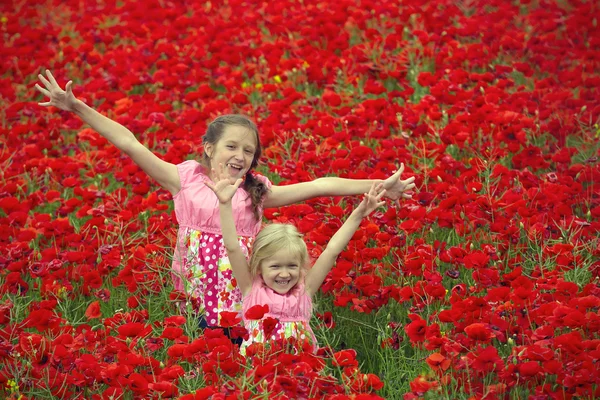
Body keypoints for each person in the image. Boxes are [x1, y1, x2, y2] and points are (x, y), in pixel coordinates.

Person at [35, 70, 415, 335]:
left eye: (249, 151)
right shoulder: (182, 179)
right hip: (197, 289)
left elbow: (319, 184)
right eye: (232, 146)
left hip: (244, 292)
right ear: (209, 148)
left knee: (241, 349)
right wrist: (77, 107)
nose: (241, 155)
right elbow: (130, 142)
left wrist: (380, 184)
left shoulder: (257, 190)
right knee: (199, 347)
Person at [207, 163, 386, 353]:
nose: (284, 274)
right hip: (260, 376)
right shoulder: (252, 290)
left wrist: (358, 214)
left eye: (292, 265)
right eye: (275, 266)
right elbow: (232, 247)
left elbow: (331, 251)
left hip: (300, 378)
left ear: (301, 266)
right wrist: (225, 204)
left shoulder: (304, 291)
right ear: (259, 266)